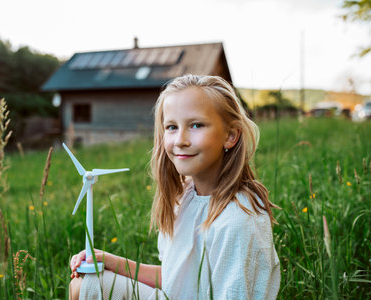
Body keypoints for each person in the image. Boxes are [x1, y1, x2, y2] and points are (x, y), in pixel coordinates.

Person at [69, 74, 280, 299]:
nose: (180, 140)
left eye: (196, 125)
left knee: (86, 288)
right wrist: (113, 262)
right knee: (86, 282)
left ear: (230, 135)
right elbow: (176, 280)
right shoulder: (187, 197)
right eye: (171, 127)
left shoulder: (238, 218)